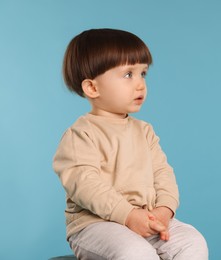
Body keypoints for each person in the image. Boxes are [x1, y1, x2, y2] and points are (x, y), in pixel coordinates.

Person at [53, 28, 208, 260]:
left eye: (143, 74)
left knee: (192, 242)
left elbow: (163, 173)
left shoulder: (144, 131)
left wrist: (164, 210)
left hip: (147, 218)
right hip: (96, 225)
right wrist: (128, 215)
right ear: (92, 88)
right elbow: (84, 184)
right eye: (128, 75)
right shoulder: (81, 134)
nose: (140, 85)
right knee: (135, 252)